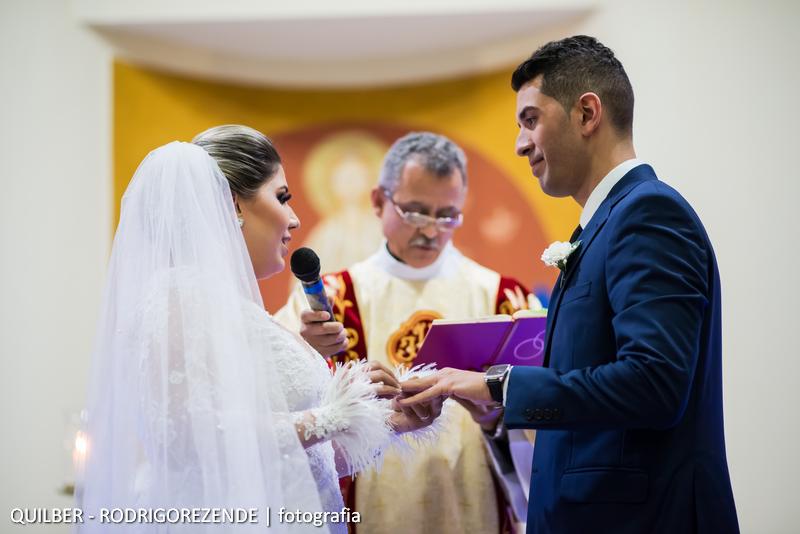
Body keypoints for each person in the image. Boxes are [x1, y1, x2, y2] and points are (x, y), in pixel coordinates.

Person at [399, 36, 739, 533]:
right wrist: (493, 411)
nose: (520, 144)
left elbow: (655, 384)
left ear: (586, 114)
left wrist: (499, 384)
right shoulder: (604, 226)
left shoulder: (648, 214)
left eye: (531, 120)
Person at [79, 125, 441, 533]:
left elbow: (295, 462)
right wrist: (332, 414)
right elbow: (185, 439)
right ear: (234, 205)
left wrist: (384, 421)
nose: (294, 218)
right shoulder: (177, 296)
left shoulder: (236, 310)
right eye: (281, 197)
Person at [276, 132, 540, 533]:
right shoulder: (327, 301)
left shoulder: (505, 298)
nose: (432, 231)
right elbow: (274, 405)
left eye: (447, 215)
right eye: (416, 212)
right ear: (379, 202)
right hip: (367, 510)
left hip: (473, 503)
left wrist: (495, 417)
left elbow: (548, 413)